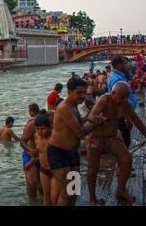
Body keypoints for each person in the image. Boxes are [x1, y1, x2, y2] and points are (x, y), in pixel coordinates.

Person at [85, 82, 146, 205]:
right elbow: (92, 114)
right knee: (92, 168)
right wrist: (95, 119)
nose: (124, 100)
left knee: (126, 160)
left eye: (126, 97)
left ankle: (120, 190)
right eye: (122, 97)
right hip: (95, 137)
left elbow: (135, 119)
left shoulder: (125, 104)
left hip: (112, 136)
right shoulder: (104, 99)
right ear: (113, 93)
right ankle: (92, 198)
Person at [47, 77, 106, 206]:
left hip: (72, 153)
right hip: (59, 153)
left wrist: (88, 117)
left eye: (84, 92)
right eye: (79, 93)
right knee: (66, 192)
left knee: (73, 190)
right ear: (69, 92)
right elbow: (79, 133)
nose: (83, 96)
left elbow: (76, 123)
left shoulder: (73, 106)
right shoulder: (64, 108)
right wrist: (96, 124)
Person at [107, 56, 137, 148]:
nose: (127, 65)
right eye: (125, 63)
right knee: (124, 141)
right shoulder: (117, 79)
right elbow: (120, 101)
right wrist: (127, 119)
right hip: (122, 115)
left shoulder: (120, 76)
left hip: (125, 112)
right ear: (119, 65)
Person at [34, 114, 59, 206]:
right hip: (43, 170)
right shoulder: (36, 137)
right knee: (46, 197)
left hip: (55, 171)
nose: (40, 132)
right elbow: (38, 153)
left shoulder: (55, 137)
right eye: (38, 129)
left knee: (55, 198)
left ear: (50, 127)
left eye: (43, 129)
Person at [20, 103, 41, 200]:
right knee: (32, 183)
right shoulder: (31, 124)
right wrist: (31, 152)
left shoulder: (46, 121)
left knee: (41, 187)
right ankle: (32, 201)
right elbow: (22, 141)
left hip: (42, 156)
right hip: (31, 154)